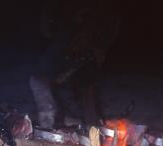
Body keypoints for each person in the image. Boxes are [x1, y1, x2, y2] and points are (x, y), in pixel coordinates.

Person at [30, 0, 120, 130]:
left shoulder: (103, 15)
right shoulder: (68, 27)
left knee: (84, 88)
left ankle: (89, 127)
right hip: (70, 41)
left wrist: (98, 48)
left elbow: (110, 26)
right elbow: (48, 18)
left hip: (82, 47)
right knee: (42, 80)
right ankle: (51, 123)